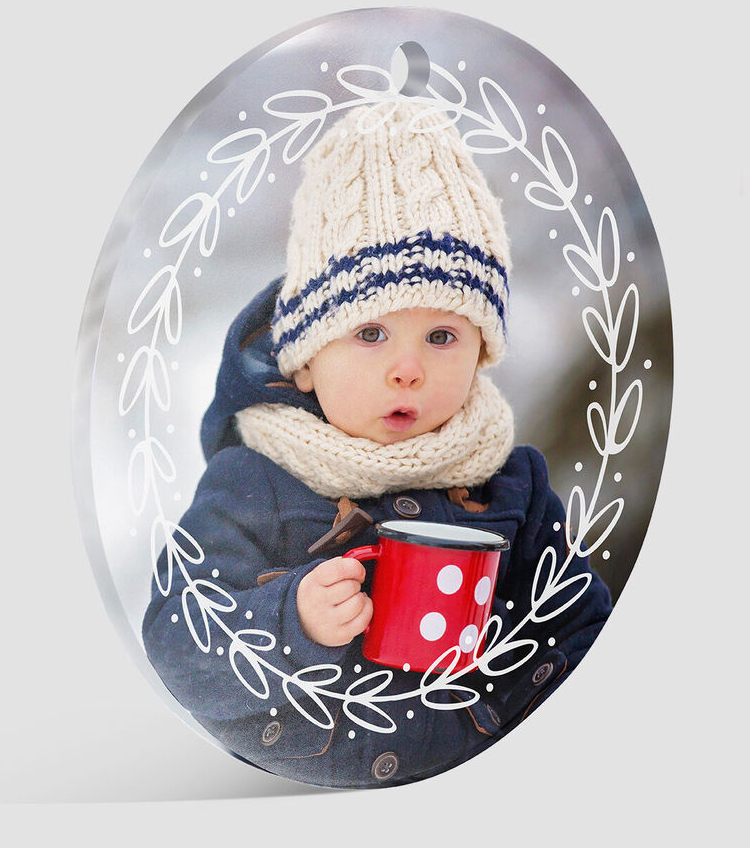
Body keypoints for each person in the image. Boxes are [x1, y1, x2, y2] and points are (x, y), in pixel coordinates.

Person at [141, 99, 611, 788]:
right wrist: (289, 622)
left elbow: (581, 627)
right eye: (370, 333)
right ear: (305, 359)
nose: (408, 368)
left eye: (442, 336)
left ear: (482, 352)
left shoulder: (515, 489)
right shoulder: (255, 483)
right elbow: (177, 638)